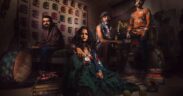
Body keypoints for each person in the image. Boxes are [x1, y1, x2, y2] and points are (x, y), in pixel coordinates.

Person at [62, 26, 146, 96]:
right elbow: (71, 52)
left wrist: (99, 70)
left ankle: (125, 90)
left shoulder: (90, 48)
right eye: (82, 34)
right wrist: (76, 48)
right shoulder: (75, 47)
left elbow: (96, 61)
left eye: (86, 34)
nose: (84, 36)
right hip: (82, 71)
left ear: (88, 36)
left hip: (94, 69)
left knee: (111, 78)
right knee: (88, 85)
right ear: (79, 35)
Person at [37, 15, 65, 80]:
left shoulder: (55, 29)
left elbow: (55, 42)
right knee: (41, 48)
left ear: (51, 22)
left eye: (47, 21)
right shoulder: (44, 30)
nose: (45, 23)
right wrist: (40, 45)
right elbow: (42, 41)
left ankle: (43, 70)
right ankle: (43, 70)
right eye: (44, 21)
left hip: (57, 46)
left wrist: (44, 45)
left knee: (44, 49)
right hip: (49, 46)